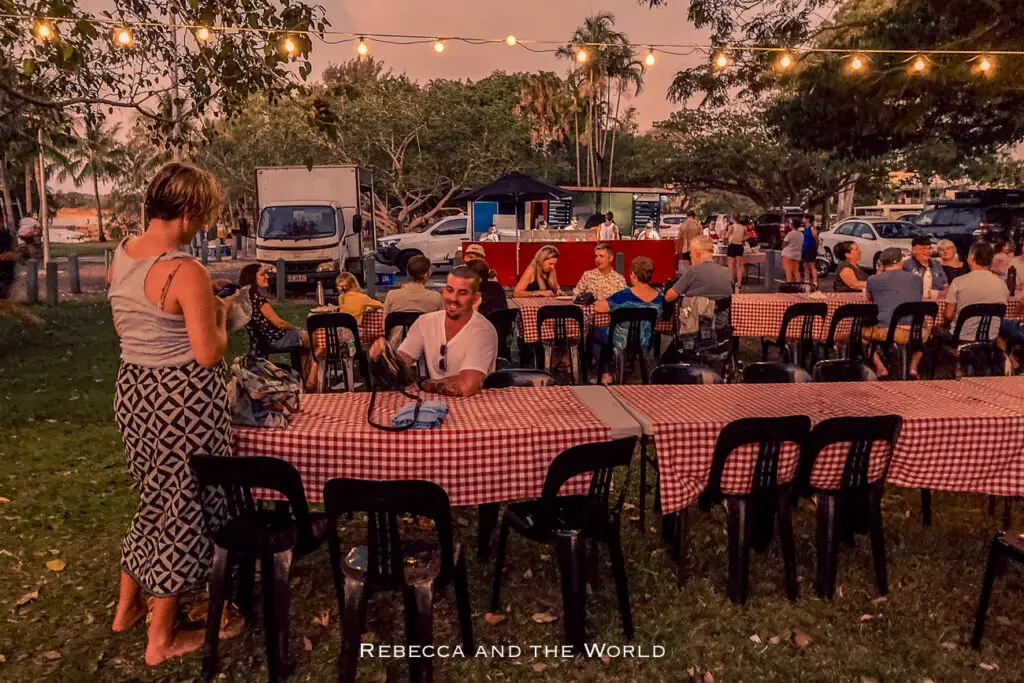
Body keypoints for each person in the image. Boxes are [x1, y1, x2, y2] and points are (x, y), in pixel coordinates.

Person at [107, 163, 236, 666]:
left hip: (134, 390)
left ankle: (128, 607)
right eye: (202, 215)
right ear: (187, 212)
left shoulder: (121, 256)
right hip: (180, 400)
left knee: (153, 498)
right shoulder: (185, 270)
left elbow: (134, 328)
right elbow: (208, 354)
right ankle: (161, 639)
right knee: (184, 511)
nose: (202, 225)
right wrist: (222, 317)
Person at [369, 266, 498, 397]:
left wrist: (423, 384)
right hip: (434, 404)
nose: (454, 298)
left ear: (476, 298)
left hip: (475, 409)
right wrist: (383, 355)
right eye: (450, 290)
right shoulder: (425, 322)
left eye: (463, 293)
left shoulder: (483, 332)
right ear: (443, 292)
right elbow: (398, 367)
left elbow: (465, 387)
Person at [240, 263, 317, 390]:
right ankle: (311, 380)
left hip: (260, 341)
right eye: (262, 274)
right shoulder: (259, 301)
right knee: (316, 339)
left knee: (305, 345)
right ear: (252, 278)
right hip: (275, 339)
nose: (267, 277)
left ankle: (304, 378)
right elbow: (279, 323)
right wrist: (296, 329)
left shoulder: (247, 299)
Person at [592, 256, 664, 384]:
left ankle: (606, 373)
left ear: (634, 275)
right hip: (644, 340)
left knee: (595, 334)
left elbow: (600, 307)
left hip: (619, 339)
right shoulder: (658, 298)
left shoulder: (624, 295)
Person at [865, 247, 927, 379]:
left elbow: (869, 298)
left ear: (882, 263)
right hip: (917, 330)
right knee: (922, 339)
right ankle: (913, 367)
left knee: (862, 333)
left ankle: (880, 367)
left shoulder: (873, 280)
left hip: (887, 330)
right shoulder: (917, 279)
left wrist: (879, 272)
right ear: (900, 261)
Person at [942, 242, 1007, 341]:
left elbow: (948, 315)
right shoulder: (1002, 284)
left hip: (961, 337)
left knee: (936, 330)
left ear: (971, 257)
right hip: (990, 338)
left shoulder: (958, 282)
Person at [664, 235, 733, 303]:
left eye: (691, 252)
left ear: (697, 253)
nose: (690, 255)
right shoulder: (727, 272)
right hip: (722, 313)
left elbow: (669, 297)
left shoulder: (693, 271)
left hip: (696, 313)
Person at [725, 216, 748, 292]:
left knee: (731, 266)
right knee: (739, 266)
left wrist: (725, 238)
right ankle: (739, 283)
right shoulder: (743, 227)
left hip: (732, 246)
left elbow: (726, 236)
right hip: (739, 246)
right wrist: (742, 240)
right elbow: (746, 237)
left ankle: (731, 282)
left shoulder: (731, 227)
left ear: (733, 219)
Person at [800, 215, 819, 288]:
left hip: (811, 248)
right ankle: (806, 280)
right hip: (804, 248)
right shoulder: (805, 228)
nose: (802, 219)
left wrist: (816, 247)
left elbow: (816, 238)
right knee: (805, 266)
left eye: (804, 218)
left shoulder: (812, 228)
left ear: (808, 219)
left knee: (812, 265)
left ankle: (814, 281)